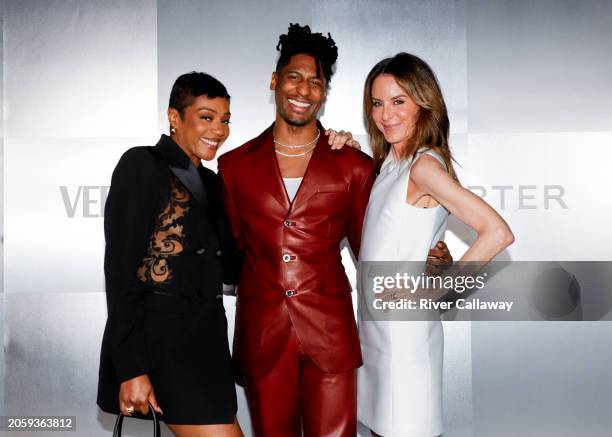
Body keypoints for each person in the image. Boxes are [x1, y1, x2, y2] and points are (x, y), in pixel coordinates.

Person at [217, 25, 451, 437]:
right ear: (274, 82)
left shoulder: (353, 166)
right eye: (294, 77)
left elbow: (375, 246)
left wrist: (428, 258)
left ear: (325, 93)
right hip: (262, 334)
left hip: (332, 335)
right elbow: (236, 249)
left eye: (315, 82)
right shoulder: (234, 165)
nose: (303, 90)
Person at [357, 53, 515, 437]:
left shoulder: (423, 166)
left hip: (405, 339)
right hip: (375, 334)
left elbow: (497, 232)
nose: (385, 115)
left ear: (423, 104)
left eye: (399, 102)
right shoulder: (389, 165)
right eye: (377, 103)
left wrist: (435, 292)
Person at [97, 72, 244, 437]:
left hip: (206, 346)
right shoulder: (142, 165)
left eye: (225, 120)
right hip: (159, 347)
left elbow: (231, 269)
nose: (219, 130)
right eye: (207, 117)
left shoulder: (214, 182)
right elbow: (120, 272)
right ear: (174, 117)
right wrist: (131, 368)